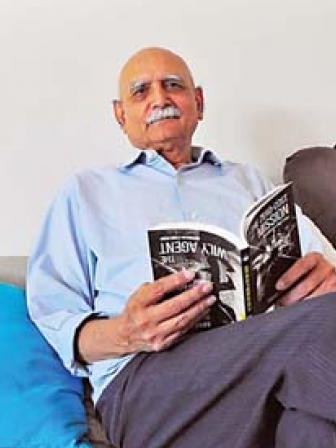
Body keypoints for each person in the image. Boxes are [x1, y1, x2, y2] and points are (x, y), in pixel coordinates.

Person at [27, 47, 336, 448]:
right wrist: (126, 333)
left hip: (262, 368)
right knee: (318, 328)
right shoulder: (85, 194)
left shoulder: (249, 182)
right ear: (121, 115)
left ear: (199, 102)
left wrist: (322, 279)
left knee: (313, 431)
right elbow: (54, 315)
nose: (159, 98)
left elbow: (321, 269)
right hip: (150, 385)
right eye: (141, 92)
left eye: (173, 85)